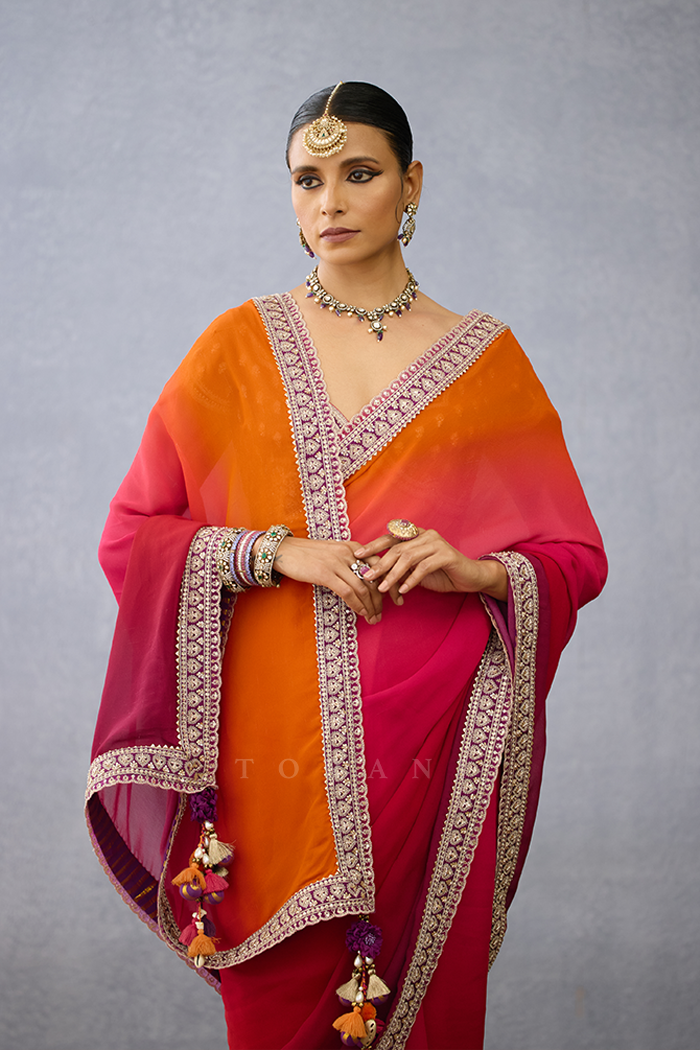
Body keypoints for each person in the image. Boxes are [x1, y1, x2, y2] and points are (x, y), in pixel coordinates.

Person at [87, 82, 607, 1050]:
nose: (328, 201)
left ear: (412, 185)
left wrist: (477, 572)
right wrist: (272, 551)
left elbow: (572, 556)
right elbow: (133, 535)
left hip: (434, 749)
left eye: (359, 174)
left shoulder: (486, 362)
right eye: (306, 180)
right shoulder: (236, 348)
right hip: (272, 757)